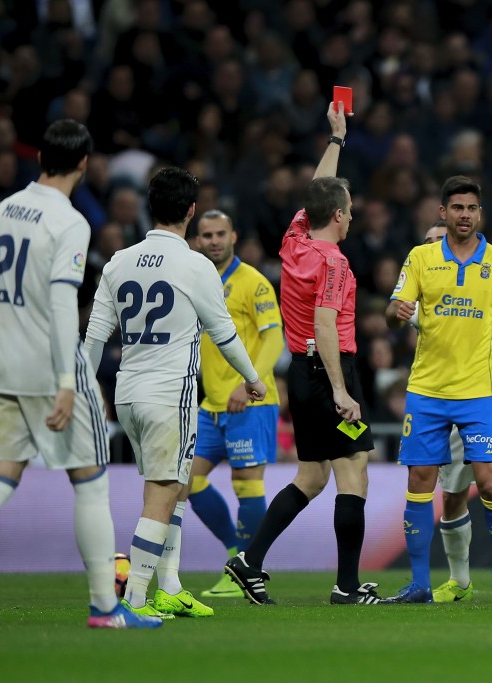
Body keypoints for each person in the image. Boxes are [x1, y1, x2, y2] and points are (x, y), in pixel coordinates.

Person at [0, 119, 161, 630]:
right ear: (83, 164)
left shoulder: (4, 209)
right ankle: (105, 607)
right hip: (50, 365)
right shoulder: (70, 220)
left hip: (2, 362)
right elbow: (60, 303)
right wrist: (64, 380)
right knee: (92, 481)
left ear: (38, 160)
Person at [85, 167, 267, 619]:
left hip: (127, 393)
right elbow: (224, 334)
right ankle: (134, 599)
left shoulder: (118, 262)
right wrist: (253, 377)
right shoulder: (195, 264)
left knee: (176, 486)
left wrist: (83, 388)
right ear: (191, 211)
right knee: (164, 493)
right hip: (171, 395)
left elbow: (93, 338)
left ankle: (169, 585)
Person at [225, 101, 384, 606]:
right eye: (350, 209)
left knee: (312, 475)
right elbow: (324, 324)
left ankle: (249, 561)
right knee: (353, 470)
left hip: (301, 370)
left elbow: (318, 191)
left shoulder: (295, 239)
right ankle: (347, 586)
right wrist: (341, 390)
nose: (353, 215)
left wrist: (336, 140)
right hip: (328, 370)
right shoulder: (333, 262)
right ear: (338, 217)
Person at [384, 183, 492, 604]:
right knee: (422, 482)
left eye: (471, 208)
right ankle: (419, 584)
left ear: (480, 213)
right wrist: (395, 314)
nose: (464, 214)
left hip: (482, 393)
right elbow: (394, 311)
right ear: (442, 211)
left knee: (489, 484)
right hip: (427, 391)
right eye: (456, 208)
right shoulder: (420, 258)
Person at [187, 209, 285, 599]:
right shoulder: (198, 282)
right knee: (188, 481)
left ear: (234, 236)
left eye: (220, 234)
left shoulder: (254, 283)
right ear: (197, 240)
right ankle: (235, 558)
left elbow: (274, 338)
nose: (213, 241)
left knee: (247, 484)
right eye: (206, 234)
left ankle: (248, 567)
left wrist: (250, 384)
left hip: (251, 402)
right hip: (211, 403)